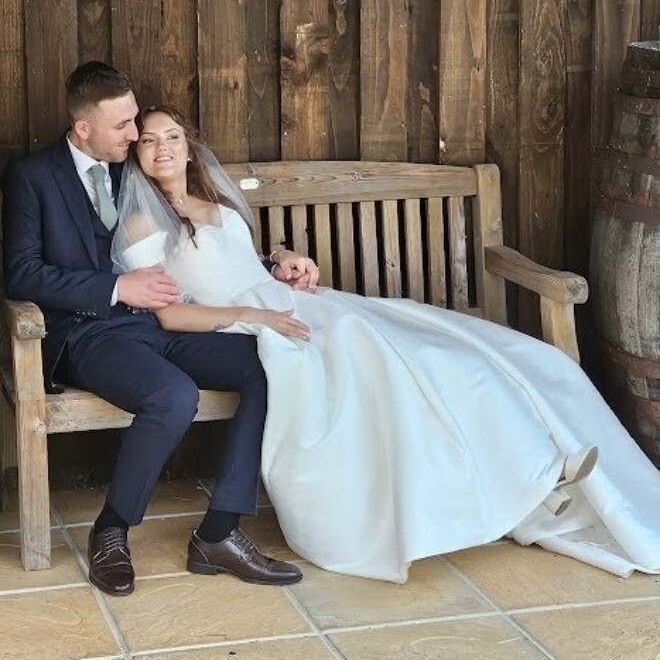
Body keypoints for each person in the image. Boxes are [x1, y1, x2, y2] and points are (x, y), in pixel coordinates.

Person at [110, 103, 660, 583]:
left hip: (287, 305)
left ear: (189, 145)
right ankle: (522, 473)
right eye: (150, 140)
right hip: (243, 325)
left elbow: (239, 262)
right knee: (375, 354)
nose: (162, 148)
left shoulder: (215, 201)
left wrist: (282, 261)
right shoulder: (140, 223)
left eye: (173, 136)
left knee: (450, 347)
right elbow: (170, 312)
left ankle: (533, 462)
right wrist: (250, 312)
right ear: (136, 155)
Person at [1, 62, 303, 596]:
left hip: (169, 321)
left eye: (135, 120)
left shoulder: (136, 165)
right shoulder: (33, 176)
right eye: (122, 125)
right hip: (90, 332)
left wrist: (273, 257)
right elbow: (21, 272)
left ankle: (219, 532)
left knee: (269, 363)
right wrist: (116, 290)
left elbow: (199, 243)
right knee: (173, 394)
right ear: (83, 128)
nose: (137, 135)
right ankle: (111, 529)